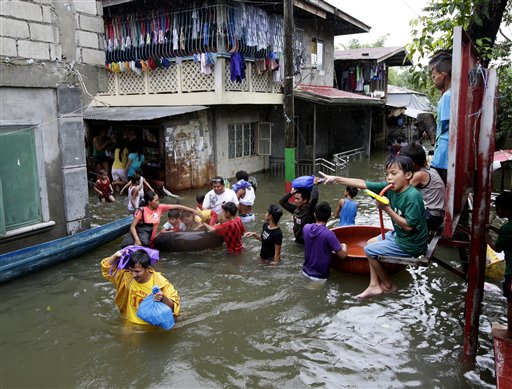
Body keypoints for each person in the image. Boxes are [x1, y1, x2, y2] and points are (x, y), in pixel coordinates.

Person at [320, 154, 429, 298]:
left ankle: (388, 284)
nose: (389, 177)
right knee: (371, 243)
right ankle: (374, 285)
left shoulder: (412, 196)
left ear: (408, 175)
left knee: (369, 250)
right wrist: (336, 179)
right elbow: (362, 183)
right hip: (402, 236)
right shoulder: (389, 188)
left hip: (412, 243)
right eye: (387, 174)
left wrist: (387, 209)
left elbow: (409, 227)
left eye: (394, 173)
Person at [101, 249, 180, 325]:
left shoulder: (161, 283)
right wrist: (115, 256)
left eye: (137, 271)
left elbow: (175, 308)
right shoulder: (127, 277)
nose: (134, 275)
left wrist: (163, 297)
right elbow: (107, 270)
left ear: (148, 269)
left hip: (150, 327)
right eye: (131, 270)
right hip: (129, 324)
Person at [121, 191, 198, 248]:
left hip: (152, 241)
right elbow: (132, 227)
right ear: (149, 202)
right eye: (156, 200)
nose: (158, 202)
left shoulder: (160, 208)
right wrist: (137, 240)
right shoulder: (141, 211)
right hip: (141, 241)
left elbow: (178, 206)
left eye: (158, 200)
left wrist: (193, 211)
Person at [400, 142, 446, 232]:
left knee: (399, 212)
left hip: (432, 217)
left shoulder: (419, 175)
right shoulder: (431, 170)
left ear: (412, 164)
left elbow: (400, 189)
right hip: (437, 215)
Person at [486, 191, 512, 338]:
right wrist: (493, 228)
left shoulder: (507, 229)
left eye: (498, 208)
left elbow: (497, 248)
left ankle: (509, 333)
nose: (497, 210)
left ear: (507, 210)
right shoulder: (507, 228)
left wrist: (485, 238)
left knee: (510, 303)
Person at [302, 202, 348, 281]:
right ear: (330, 216)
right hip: (319, 277)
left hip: (304, 272)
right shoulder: (329, 234)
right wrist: (344, 245)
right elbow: (342, 255)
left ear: (314, 215)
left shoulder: (306, 228)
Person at [429, 50, 452, 185]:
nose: (433, 81)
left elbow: (443, 125)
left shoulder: (446, 96)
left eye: (434, 77)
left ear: (443, 76)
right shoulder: (454, 94)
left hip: (443, 155)